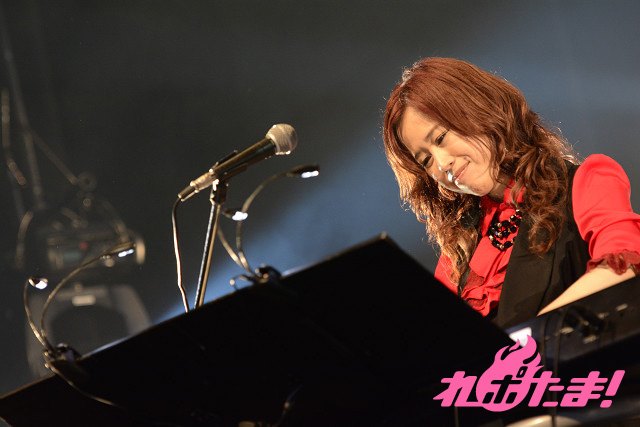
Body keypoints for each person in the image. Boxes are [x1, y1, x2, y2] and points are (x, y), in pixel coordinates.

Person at [382, 57, 640, 328]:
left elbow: (623, 266)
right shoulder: (457, 254)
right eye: (426, 160)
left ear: (477, 108)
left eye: (440, 138)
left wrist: (526, 340)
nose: (442, 163)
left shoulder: (586, 180)